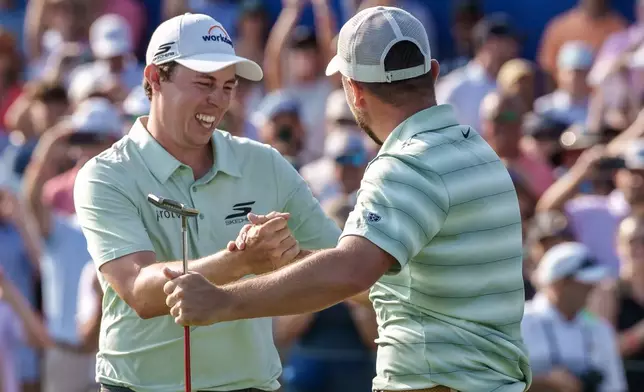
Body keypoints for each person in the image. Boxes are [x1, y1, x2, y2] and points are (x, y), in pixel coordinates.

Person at [164, 7, 532, 392]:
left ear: (353, 90)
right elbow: (387, 285)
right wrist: (293, 261)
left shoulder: (405, 164)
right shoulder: (478, 152)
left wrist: (222, 301)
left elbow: (351, 271)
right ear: (433, 73)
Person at [73, 13, 341, 392]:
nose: (217, 101)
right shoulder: (106, 174)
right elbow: (139, 290)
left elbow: (340, 263)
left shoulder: (264, 163)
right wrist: (241, 262)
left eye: (228, 86)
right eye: (204, 83)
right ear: (154, 79)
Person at [521, 242, 627, 392]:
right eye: (583, 283)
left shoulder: (600, 330)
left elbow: (614, 387)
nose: (591, 288)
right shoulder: (519, 323)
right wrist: (543, 383)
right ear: (560, 284)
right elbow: (495, 382)